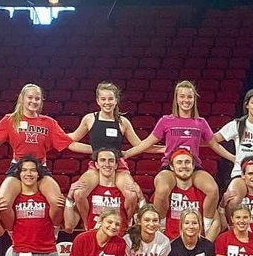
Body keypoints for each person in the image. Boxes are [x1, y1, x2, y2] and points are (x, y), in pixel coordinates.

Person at [123, 81, 221, 233]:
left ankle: (207, 226)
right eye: (182, 96)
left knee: (213, 189)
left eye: (189, 97)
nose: (186, 100)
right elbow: (147, 143)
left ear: (194, 99)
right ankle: (160, 226)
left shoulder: (201, 123)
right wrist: (127, 153)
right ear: (176, 99)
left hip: (192, 167)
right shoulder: (166, 121)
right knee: (161, 189)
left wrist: (235, 158)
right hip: (169, 167)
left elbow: (215, 145)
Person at [0, 83, 85, 218]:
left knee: (58, 204)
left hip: (40, 168)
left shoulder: (49, 122)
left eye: (37, 99)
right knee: (3, 205)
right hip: (17, 167)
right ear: (22, 98)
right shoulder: (10, 120)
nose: (34, 101)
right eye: (30, 97)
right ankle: (12, 234)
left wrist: (97, 149)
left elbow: (70, 144)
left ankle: (53, 233)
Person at [67, 82, 146, 224]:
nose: (107, 102)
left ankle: (126, 223)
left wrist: (126, 153)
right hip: (96, 166)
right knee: (79, 193)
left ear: (116, 100)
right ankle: (88, 224)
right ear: (98, 100)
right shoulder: (89, 119)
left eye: (110, 99)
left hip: (119, 166)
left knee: (132, 195)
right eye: (103, 99)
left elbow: (140, 145)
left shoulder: (123, 122)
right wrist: (95, 150)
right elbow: (70, 141)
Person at [68, 147, 133, 232]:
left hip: (119, 239)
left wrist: (142, 198)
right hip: (94, 238)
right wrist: (69, 197)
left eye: (111, 161)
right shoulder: (87, 192)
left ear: (116, 165)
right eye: (103, 160)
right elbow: (69, 227)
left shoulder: (125, 191)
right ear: (96, 165)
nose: (107, 164)